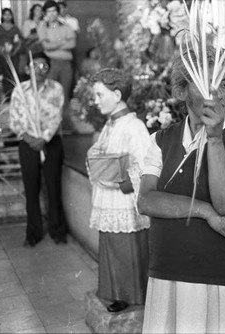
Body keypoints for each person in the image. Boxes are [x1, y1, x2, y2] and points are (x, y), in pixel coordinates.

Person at [138, 47, 225, 333]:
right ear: (183, 91)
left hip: (221, 278)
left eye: (223, 84)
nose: (217, 94)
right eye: (206, 83)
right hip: (169, 273)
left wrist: (216, 139)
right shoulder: (160, 140)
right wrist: (205, 212)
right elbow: (146, 200)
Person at [87, 68, 151, 313]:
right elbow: (96, 153)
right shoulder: (110, 125)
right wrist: (96, 160)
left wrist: (124, 182)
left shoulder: (133, 126)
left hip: (124, 202)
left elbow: (146, 165)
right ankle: (113, 291)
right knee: (111, 245)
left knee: (126, 248)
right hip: (108, 198)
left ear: (116, 94)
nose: (95, 101)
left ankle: (129, 294)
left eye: (99, 95)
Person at [9, 52, 68, 247]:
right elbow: (15, 120)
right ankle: (33, 233)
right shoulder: (20, 89)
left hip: (51, 143)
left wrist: (43, 139)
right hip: (28, 143)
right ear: (28, 69)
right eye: (35, 66)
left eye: (44, 66)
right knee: (31, 188)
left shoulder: (56, 89)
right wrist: (30, 139)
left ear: (49, 70)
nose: (40, 70)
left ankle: (57, 231)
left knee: (53, 187)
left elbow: (57, 116)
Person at [38, 0, 76, 127]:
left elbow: (72, 44)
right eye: (49, 11)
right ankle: (49, 125)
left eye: (54, 10)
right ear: (45, 13)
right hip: (51, 64)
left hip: (66, 64)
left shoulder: (66, 26)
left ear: (58, 12)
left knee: (65, 93)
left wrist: (54, 44)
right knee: (49, 93)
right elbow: (46, 46)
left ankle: (64, 125)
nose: (52, 14)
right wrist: (63, 42)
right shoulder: (42, 27)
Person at [0, 8, 23, 99]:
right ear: (2, 16)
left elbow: (19, 42)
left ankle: (14, 95)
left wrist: (14, 52)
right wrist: (1, 52)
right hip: (2, 55)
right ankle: (6, 95)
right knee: (5, 73)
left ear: (12, 16)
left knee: (14, 73)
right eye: (5, 14)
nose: (7, 16)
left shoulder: (15, 28)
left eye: (9, 14)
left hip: (14, 55)